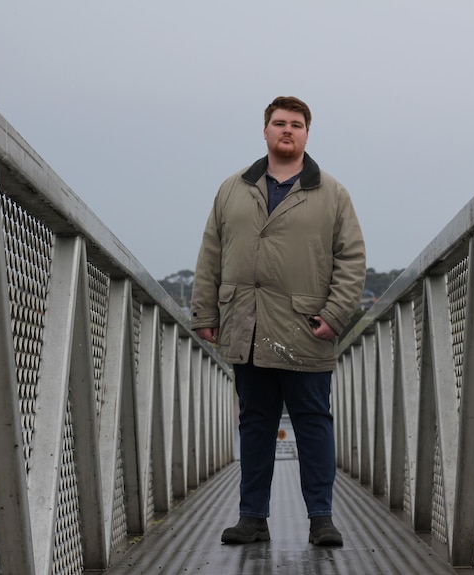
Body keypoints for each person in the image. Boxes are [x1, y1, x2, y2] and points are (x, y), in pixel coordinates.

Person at [190, 96, 366, 547]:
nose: (287, 130)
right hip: (246, 326)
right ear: (265, 131)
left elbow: (352, 260)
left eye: (296, 124)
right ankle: (252, 517)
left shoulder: (333, 193)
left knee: (312, 420)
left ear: (307, 134)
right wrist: (205, 313)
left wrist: (335, 314)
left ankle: (321, 518)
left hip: (305, 326)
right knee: (254, 421)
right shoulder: (232, 189)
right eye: (279, 123)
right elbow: (211, 253)